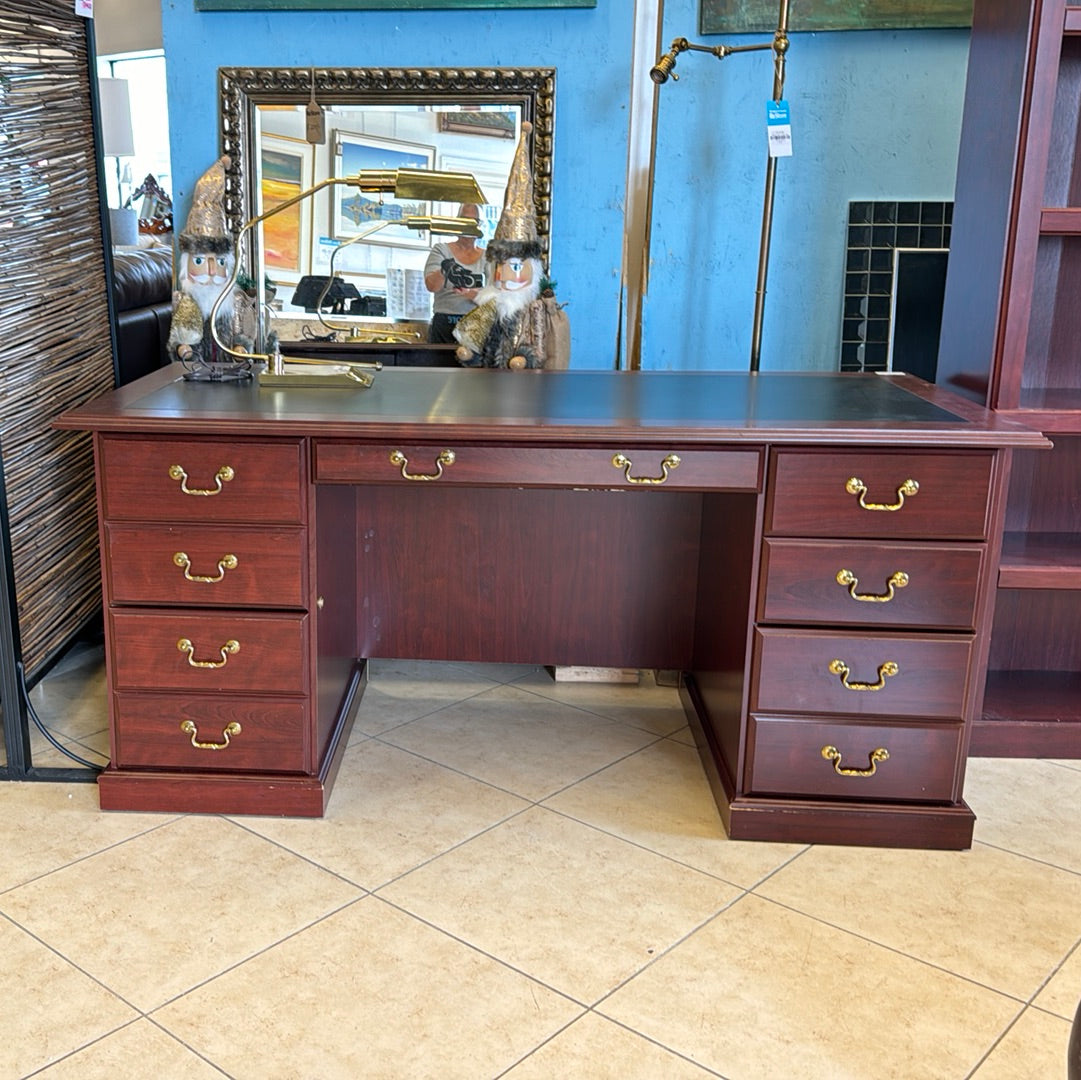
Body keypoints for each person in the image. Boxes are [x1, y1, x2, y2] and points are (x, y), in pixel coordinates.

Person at [453, 122, 570, 370]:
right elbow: (481, 339)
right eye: (500, 265)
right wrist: (470, 354)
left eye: (515, 266)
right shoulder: (493, 305)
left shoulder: (535, 308)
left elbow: (538, 347)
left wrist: (524, 359)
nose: (503, 276)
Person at [167, 155, 255, 378]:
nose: (212, 271)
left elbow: (242, 334)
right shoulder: (185, 303)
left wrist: (241, 347)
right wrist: (182, 348)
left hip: (233, 375)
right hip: (196, 376)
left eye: (220, 262)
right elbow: (179, 338)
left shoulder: (235, 302)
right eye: (200, 261)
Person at [423, 203, 485, 344]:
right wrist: (446, 270)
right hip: (444, 325)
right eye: (464, 220)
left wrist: (470, 293)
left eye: (474, 222)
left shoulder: (489, 257)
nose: (468, 226)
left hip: (476, 327)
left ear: (480, 225)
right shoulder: (441, 250)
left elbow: (496, 299)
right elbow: (431, 286)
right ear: (457, 221)